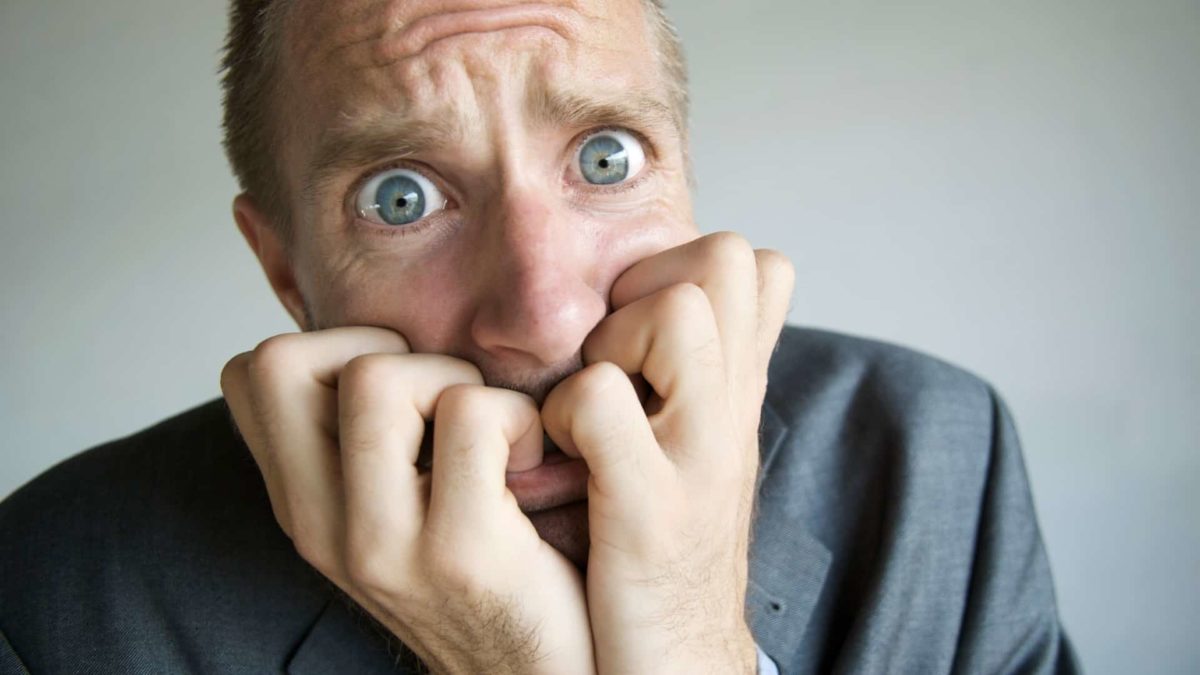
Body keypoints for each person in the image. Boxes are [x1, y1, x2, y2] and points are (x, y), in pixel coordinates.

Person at [0, 0, 1080, 673]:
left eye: (607, 158)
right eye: (400, 196)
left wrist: (690, 638)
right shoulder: (57, 599)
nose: (545, 317)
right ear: (285, 269)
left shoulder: (935, 458)